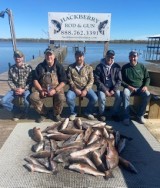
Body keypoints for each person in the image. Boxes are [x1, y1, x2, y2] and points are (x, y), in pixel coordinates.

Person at [30, 48, 67, 123]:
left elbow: (64, 81)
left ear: (54, 56)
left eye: (50, 55)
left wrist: (55, 90)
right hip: (43, 89)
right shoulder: (40, 66)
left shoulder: (59, 66)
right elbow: (35, 80)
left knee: (61, 97)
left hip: (56, 89)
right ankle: (44, 113)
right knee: (33, 97)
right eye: (47, 55)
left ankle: (56, 114)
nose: (49, 57)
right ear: (45, 56)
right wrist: (40, 90)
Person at [1, 50, 32, 121]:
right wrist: (15, 89)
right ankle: (17, 111)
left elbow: (31, 81)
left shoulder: (28, 67)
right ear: (14, 58)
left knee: (27, 101)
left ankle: (25, 113)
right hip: (14, 90)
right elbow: (10, 81)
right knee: (3, 101)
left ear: (22, 58)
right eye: (15, 56)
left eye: (19, 56)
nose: (17, 58)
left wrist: (23, 89)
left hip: (25, 89)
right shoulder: (11, 68)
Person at [66, 50, 98, 121]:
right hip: (74, 88)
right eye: (77, 56)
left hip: (85, 88)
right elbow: (69, 80)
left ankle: (87, 112)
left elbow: (91, 80)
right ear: (75, 57)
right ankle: (73, 113)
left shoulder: (89, 67)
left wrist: (86, 90)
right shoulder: (70, 67)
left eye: (80, 56)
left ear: (83, 57)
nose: (79, 58)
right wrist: (75, 89)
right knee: (68, 97)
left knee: (95, 98)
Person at [122, 50, 150, 125]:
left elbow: (147, 78)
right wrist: (128, 86)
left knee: (147, 94)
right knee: (125, 94)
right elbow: (121, 81)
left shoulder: (142, 66)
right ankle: (126, 117)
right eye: (131, 56)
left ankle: (140, 115)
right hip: (129, 88)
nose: (133, 58)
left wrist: (145, 86)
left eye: (134, 56)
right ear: (129, 57)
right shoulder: (125, 67)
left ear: (137, 57)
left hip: (140, 88)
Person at [94, 50, 122, 122]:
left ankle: (114, 113)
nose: (110, 59)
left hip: (113, 88)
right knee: (102, 97)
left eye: (112, 57)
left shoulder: (117, 67)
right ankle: (102, 114)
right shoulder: (99, 67)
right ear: (105, 56)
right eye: (109, 56)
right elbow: (97, 80)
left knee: (119, 96)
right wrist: (105, 90)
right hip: (102, 88)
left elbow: (119, 80)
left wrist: (113, 90)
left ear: (114, 57)